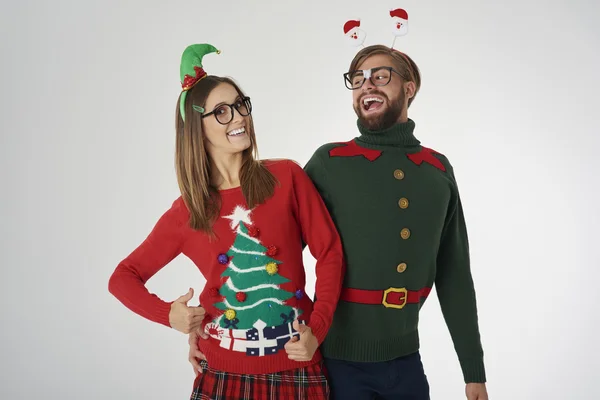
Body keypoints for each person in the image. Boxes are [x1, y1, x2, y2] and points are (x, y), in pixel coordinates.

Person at [185, 44, 490, 400]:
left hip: (408, 362)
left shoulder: (439, 170)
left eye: (380, 75)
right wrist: (212, 318)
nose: (367, 85)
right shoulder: (331, 162)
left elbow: (454, 274)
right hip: (336, 363)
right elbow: (271, 253)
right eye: (357, 79)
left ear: (409, 88)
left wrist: (474, 371)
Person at [108, 43, 345, 400]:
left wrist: (318, 328)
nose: (238, 117)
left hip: (298, 366)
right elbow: (122, 278)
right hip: (220, 373)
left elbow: (329, 253)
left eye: (239, 105)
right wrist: (168, 315)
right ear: (196, 129)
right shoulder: (187, 212)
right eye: (221, 111)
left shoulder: (287, 178)